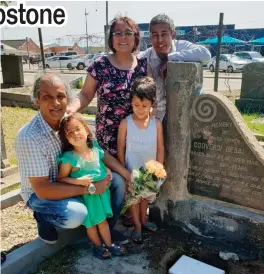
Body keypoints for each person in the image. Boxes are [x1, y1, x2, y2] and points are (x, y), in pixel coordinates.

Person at [15, 73, 130, 244]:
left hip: (76, 181)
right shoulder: (29, 136)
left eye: (60, 96)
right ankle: (43, 218)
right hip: (43, 194)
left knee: (118, 182)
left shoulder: (70, 123)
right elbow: (43, 189)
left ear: (67, 98)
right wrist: (91, 189)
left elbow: (98, 151)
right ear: (36, 100)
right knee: (76, 214)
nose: (55, 103)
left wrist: (127, 174)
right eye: (47, 97)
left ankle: (106, 228)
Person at [66, 16, 148, 234]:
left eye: (128, 33)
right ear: (111, 38)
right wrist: (72, 109)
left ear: (136, 38)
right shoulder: (100, 65)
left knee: (136, 181)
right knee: (119, 181)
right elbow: (84, 95)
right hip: (107, 139)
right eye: (118, 33)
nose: (123, 37)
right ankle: (107, 225)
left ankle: (130, 216)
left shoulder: (143, 66)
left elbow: (150, 97)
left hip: (135, 138)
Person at [58, 114, 125, 259]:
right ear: (67, 139)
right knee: (93, 225)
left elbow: (101, 162)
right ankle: (98, 246)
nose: (75, 134)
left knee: (103, 222)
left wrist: (106, 170)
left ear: (87, 130)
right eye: (70, 133)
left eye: (78, 129)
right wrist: (78, 181)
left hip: (102, 195)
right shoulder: (69, 158)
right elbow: (61, 178)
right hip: (88, 197)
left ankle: (108, 244)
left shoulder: (94, 149)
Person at [117, 77, 165, 243]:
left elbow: (160, 148)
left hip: (149, 172)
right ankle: (137, 225)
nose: (140, 109)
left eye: (144, 106)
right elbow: (120, 149)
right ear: (131, 102)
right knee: (134, 199)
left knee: (145, 197)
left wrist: (158, 169)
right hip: (132, 172)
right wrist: (124, 172)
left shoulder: (156, 124)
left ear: (152, 103)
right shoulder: (125, 123)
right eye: (136, 105)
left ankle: (143, 220)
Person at [138, 14, 212, 121]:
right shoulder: (145, 58)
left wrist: (170, 58)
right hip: (154, 118)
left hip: (184, 114)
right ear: (150, 38)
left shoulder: (182, 46)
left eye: (164, 34)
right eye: (155, 35)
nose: (160, 40)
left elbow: (205, 55)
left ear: (173, 35)